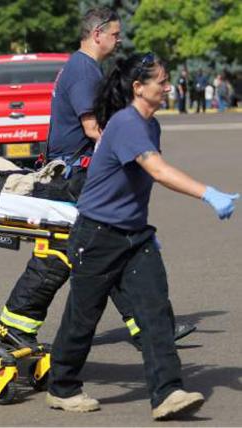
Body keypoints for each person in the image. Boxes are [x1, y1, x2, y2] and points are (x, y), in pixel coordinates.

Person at [45, 52, 238, 420]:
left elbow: (138, 183)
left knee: (155, 312)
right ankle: (62, 387)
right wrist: (207, 192)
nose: (168, 88)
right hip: (97, 235)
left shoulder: (150, 125)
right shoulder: (127, 123)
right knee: (83, 317)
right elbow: (159, 171)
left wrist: (138, 225)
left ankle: (168, 392)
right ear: (138, 87)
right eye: (161, 82)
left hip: (134, 235)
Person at [0, 7, 195, 351]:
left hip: (75, 177)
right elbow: (93, 129)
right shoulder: (84, 72)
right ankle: (15, 327)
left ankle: (148, 328)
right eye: (115, 35)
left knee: (100, 252)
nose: (119, 41)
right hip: (73, 181)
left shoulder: (84, 68)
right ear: (97, 33)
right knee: (69, 256)